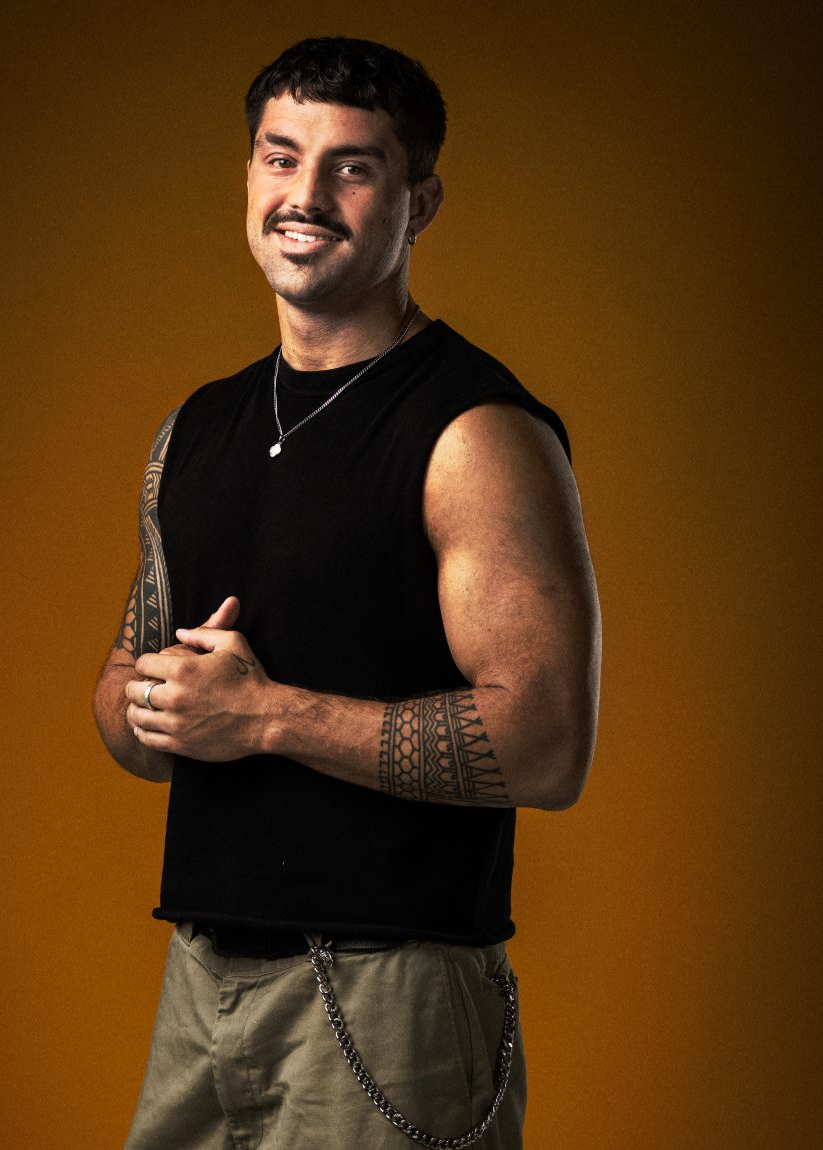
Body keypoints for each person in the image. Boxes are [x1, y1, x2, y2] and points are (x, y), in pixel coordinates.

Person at [93, 36, 600, 1150]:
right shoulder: (196, 429)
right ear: (249, 175)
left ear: (421, 203)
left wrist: (264, 716)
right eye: (281, 158)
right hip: (202, 980)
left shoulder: (475, 432)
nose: (305, 197)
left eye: (352, 168)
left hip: (391, 989)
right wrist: (157, 702)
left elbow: (547, 744)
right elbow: (131, 701)